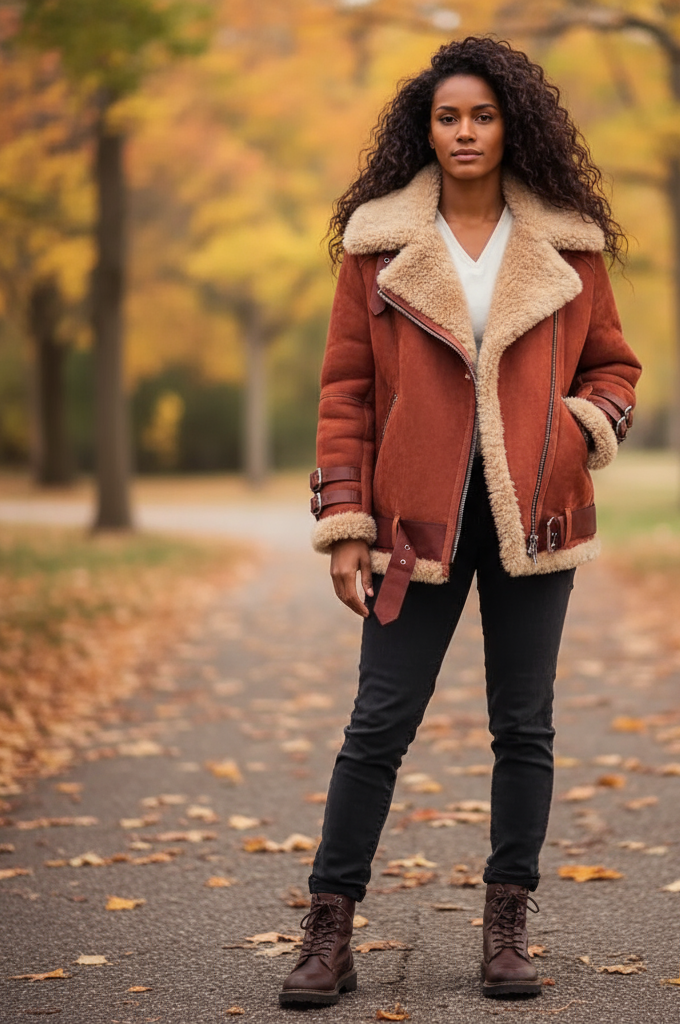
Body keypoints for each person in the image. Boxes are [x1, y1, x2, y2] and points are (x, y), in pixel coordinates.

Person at [280, 35, 642, 1009]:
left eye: (482, 114)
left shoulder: (568, 244)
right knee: (376, 724)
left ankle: (507, 926)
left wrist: (577, 429)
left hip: (539, 516)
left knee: (523, 727)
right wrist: (344, 521)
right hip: (410, 525)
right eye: (448, 116)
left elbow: (615, 368)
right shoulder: (376, 246)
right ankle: (327, 927)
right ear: (425, 129)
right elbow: (345, 391)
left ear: (509, 123)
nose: (466, 131)